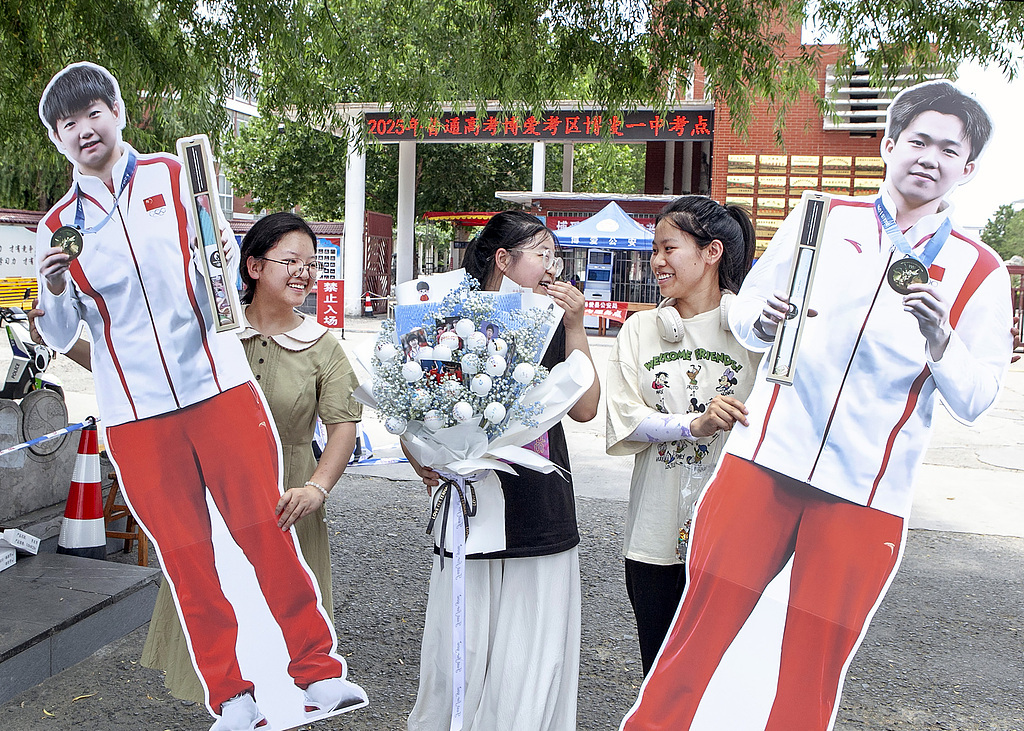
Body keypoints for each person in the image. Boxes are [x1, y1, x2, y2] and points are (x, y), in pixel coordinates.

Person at [622, 81, 1013, 731]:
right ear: (889, 145)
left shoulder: (979, 270)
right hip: (763, 464)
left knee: (809, 677)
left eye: (949, 150)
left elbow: (975, 399)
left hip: (864, 495)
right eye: (918, 141)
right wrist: (760, 320)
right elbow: (745, 314)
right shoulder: (822, 218)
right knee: (694, 643)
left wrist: (941, 340)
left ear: (967, 169)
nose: (929, 158)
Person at [33, 62, 363, 730]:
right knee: (186, 556)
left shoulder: (176, 175)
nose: (84, 130)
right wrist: (56, 287)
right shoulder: (58, 226)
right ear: (58, 139)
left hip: (218, 388)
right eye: (68, 124)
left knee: (264, 531)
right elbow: (62, 333)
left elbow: (220, 264)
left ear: (117, 112)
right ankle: (232, 696)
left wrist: (223, 269)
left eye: (93, 113)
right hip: (136, 415)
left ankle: (318, 673)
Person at [141, 212, 364, 705]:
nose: (305, 272)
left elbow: (343, 426)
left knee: (289, 621)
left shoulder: (323, 346)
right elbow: (141, 374)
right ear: (254, 267)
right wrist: (64, 340)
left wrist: (317, 488)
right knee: (220, 608)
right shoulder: (212, 335)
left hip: (289, 503)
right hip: (214, 498)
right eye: (291, 261)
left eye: (312, 263)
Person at [406, 210, 601, 731]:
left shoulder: (553, 321)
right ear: (503, 259)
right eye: (542, 254)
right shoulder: (448, 320)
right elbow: (413, 408)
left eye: (555, 256)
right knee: (463, 641)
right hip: (471, 504)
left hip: (540, 503)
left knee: (531, 647)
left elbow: (585, 409)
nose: (553, 267)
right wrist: (421, 454)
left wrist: (576, 324)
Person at [605, 196, 759, 676]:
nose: (657, 261)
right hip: (653, 536)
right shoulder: (639, 329)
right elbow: (625, 418)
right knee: (659, 673)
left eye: (668, 248)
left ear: (711, 253)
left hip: (735, 537)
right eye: (655, 250)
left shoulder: (755, 334)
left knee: (723, 677)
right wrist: (694, 425)